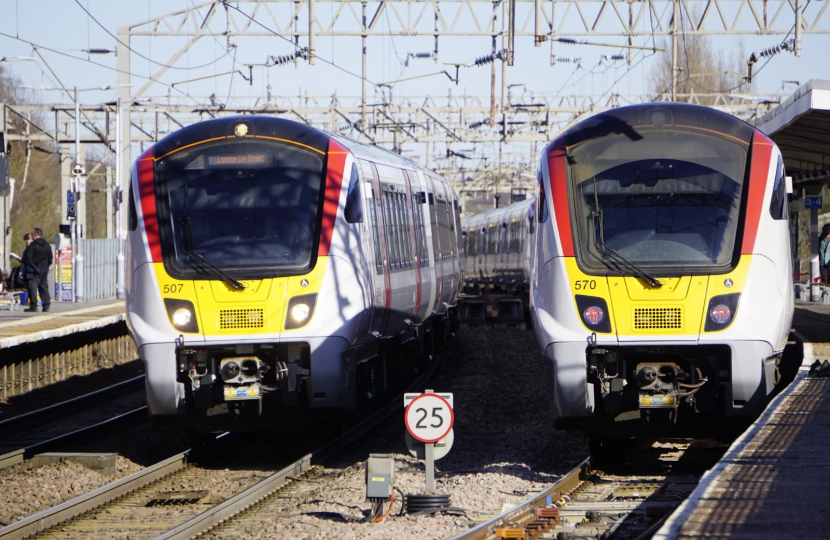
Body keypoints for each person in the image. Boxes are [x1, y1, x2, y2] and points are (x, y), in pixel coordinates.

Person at [21, 227, 52, 313]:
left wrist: (31, 266)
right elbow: (50, 258)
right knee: (44, 286)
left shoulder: (33, 245)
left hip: (34, 269)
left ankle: (33, 306)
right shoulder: (47, 245)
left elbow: (28, 258)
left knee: (32, 287)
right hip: (44, 269)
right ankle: (46, 306)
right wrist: (46, 266)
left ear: (35, 235)